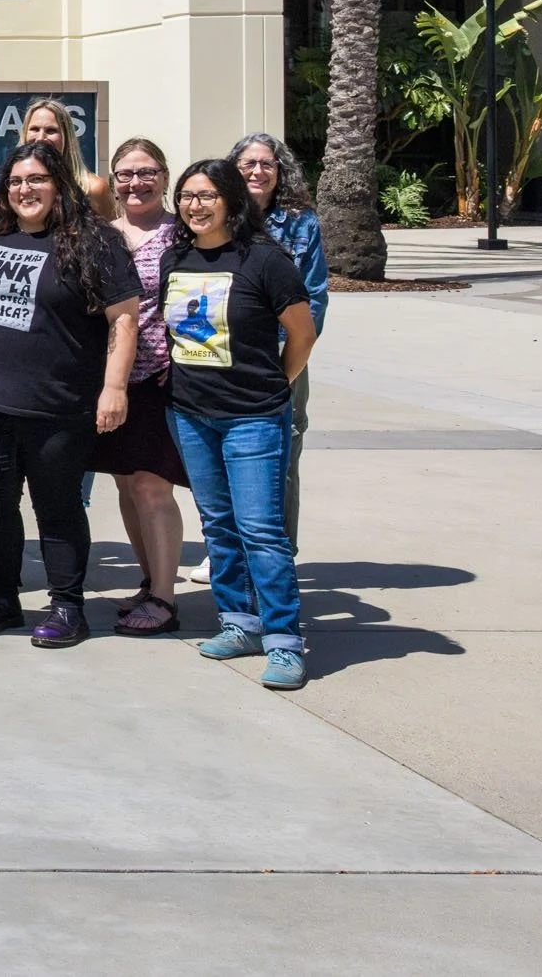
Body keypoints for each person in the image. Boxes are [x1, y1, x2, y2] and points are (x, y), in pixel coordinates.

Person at [0, 140, 140, 646]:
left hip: (58, 405)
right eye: (15, 181)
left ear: (59, 184)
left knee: (56, 507)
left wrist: (114, 387)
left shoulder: (93, 239)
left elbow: (124, 318)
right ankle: (3, 598)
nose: (24, 189)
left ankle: (67, 605)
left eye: (36, 179)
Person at [163, 159, 319, 691]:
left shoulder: (266, 259)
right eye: (186, 196)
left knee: (262, 531)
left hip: (253, 417)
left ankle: (283, 640)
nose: (195, 205)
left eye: (206, 195)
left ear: (231, 199)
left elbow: (302, 332)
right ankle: (240, 621)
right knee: (219, 525)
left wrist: (277, 384)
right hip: (190, 412)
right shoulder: (176, 258)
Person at [98, 139, 193, 635]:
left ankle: (164, 598)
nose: (136, 183)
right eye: (126, 173)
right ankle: (149, 577)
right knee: (125, 484)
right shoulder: (101, 235)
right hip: (112, 380)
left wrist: (183, 358)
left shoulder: (183, 236)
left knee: (153, 486)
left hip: (161, 378)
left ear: (164, 176)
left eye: (146, 172)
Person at [228, 131, 329, 550]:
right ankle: (227, 550)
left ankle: (279, 549)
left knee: (283, 455)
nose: (257, 171)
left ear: (280, 172)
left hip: (281, 354)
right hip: (222, 353)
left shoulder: (301, 222)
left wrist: (289, 365)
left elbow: (315, 296)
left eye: (266, 164)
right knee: (222, 455)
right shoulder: (217, 215)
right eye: (248, 164)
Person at [23, 97, 115, 220]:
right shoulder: (15, 188)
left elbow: (110, 236)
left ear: (66, 137)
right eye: (34, 129)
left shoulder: (94, 189)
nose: (40, 137)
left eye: (51, 130)